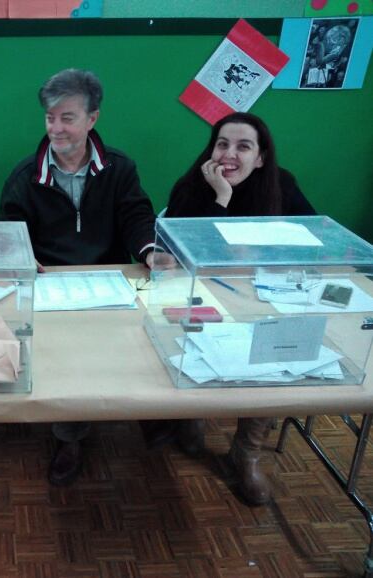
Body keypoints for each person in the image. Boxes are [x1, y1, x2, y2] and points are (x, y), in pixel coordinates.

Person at [0, 69, 159, 486]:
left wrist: (148, 249)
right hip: (50, 281)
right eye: (50, 118)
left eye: (67, 118)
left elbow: (136, 215)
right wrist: (22, 256)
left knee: (137, 344)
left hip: (110, 277)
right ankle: (68, 436)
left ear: (92, 119)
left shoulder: (120, 168)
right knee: (65, 361)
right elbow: (10, 231)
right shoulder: (24, 177)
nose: (56, 128)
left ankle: (153, 417)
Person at [163, 111, 315, 505]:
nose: (229, 154)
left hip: (260, 298)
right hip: (199, 294)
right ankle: (191, 414)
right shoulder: (193, 186)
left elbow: (311, 236)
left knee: (271, 357)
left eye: (243, 146)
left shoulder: (283, 185)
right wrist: (221, 199)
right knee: (195, 342)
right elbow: (184, 251)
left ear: (261, 157)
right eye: (222, 144)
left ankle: (246, 453)